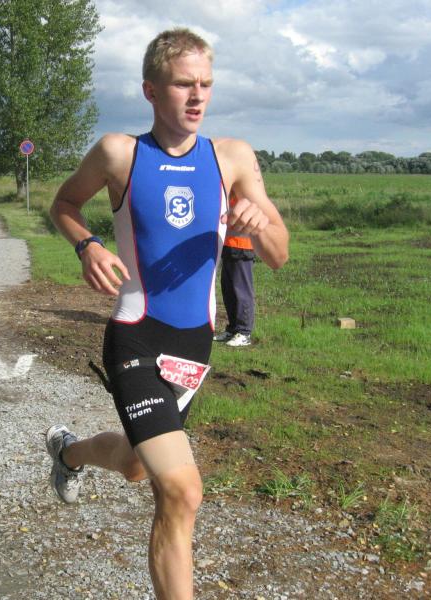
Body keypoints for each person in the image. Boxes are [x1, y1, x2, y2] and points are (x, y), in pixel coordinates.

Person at [45, 28, 289, 600]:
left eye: (206, 84)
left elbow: (279, 255)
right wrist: (88, 245)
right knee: (181, 491)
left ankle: (68, 452)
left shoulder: (232, 158)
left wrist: (260, 225)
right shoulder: (120, 154)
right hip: (135, 335)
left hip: (193, 347)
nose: (197, 95)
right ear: (151, 90)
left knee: (137, 465)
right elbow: (64, 203)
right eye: (183, 84)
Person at [214, 193, 257, 347]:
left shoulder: (245, 193)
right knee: (228, 290)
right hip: (228, 245)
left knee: (242, 291)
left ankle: (244, 332)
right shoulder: (229, 194)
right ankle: (233, 329)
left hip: (243, 246)